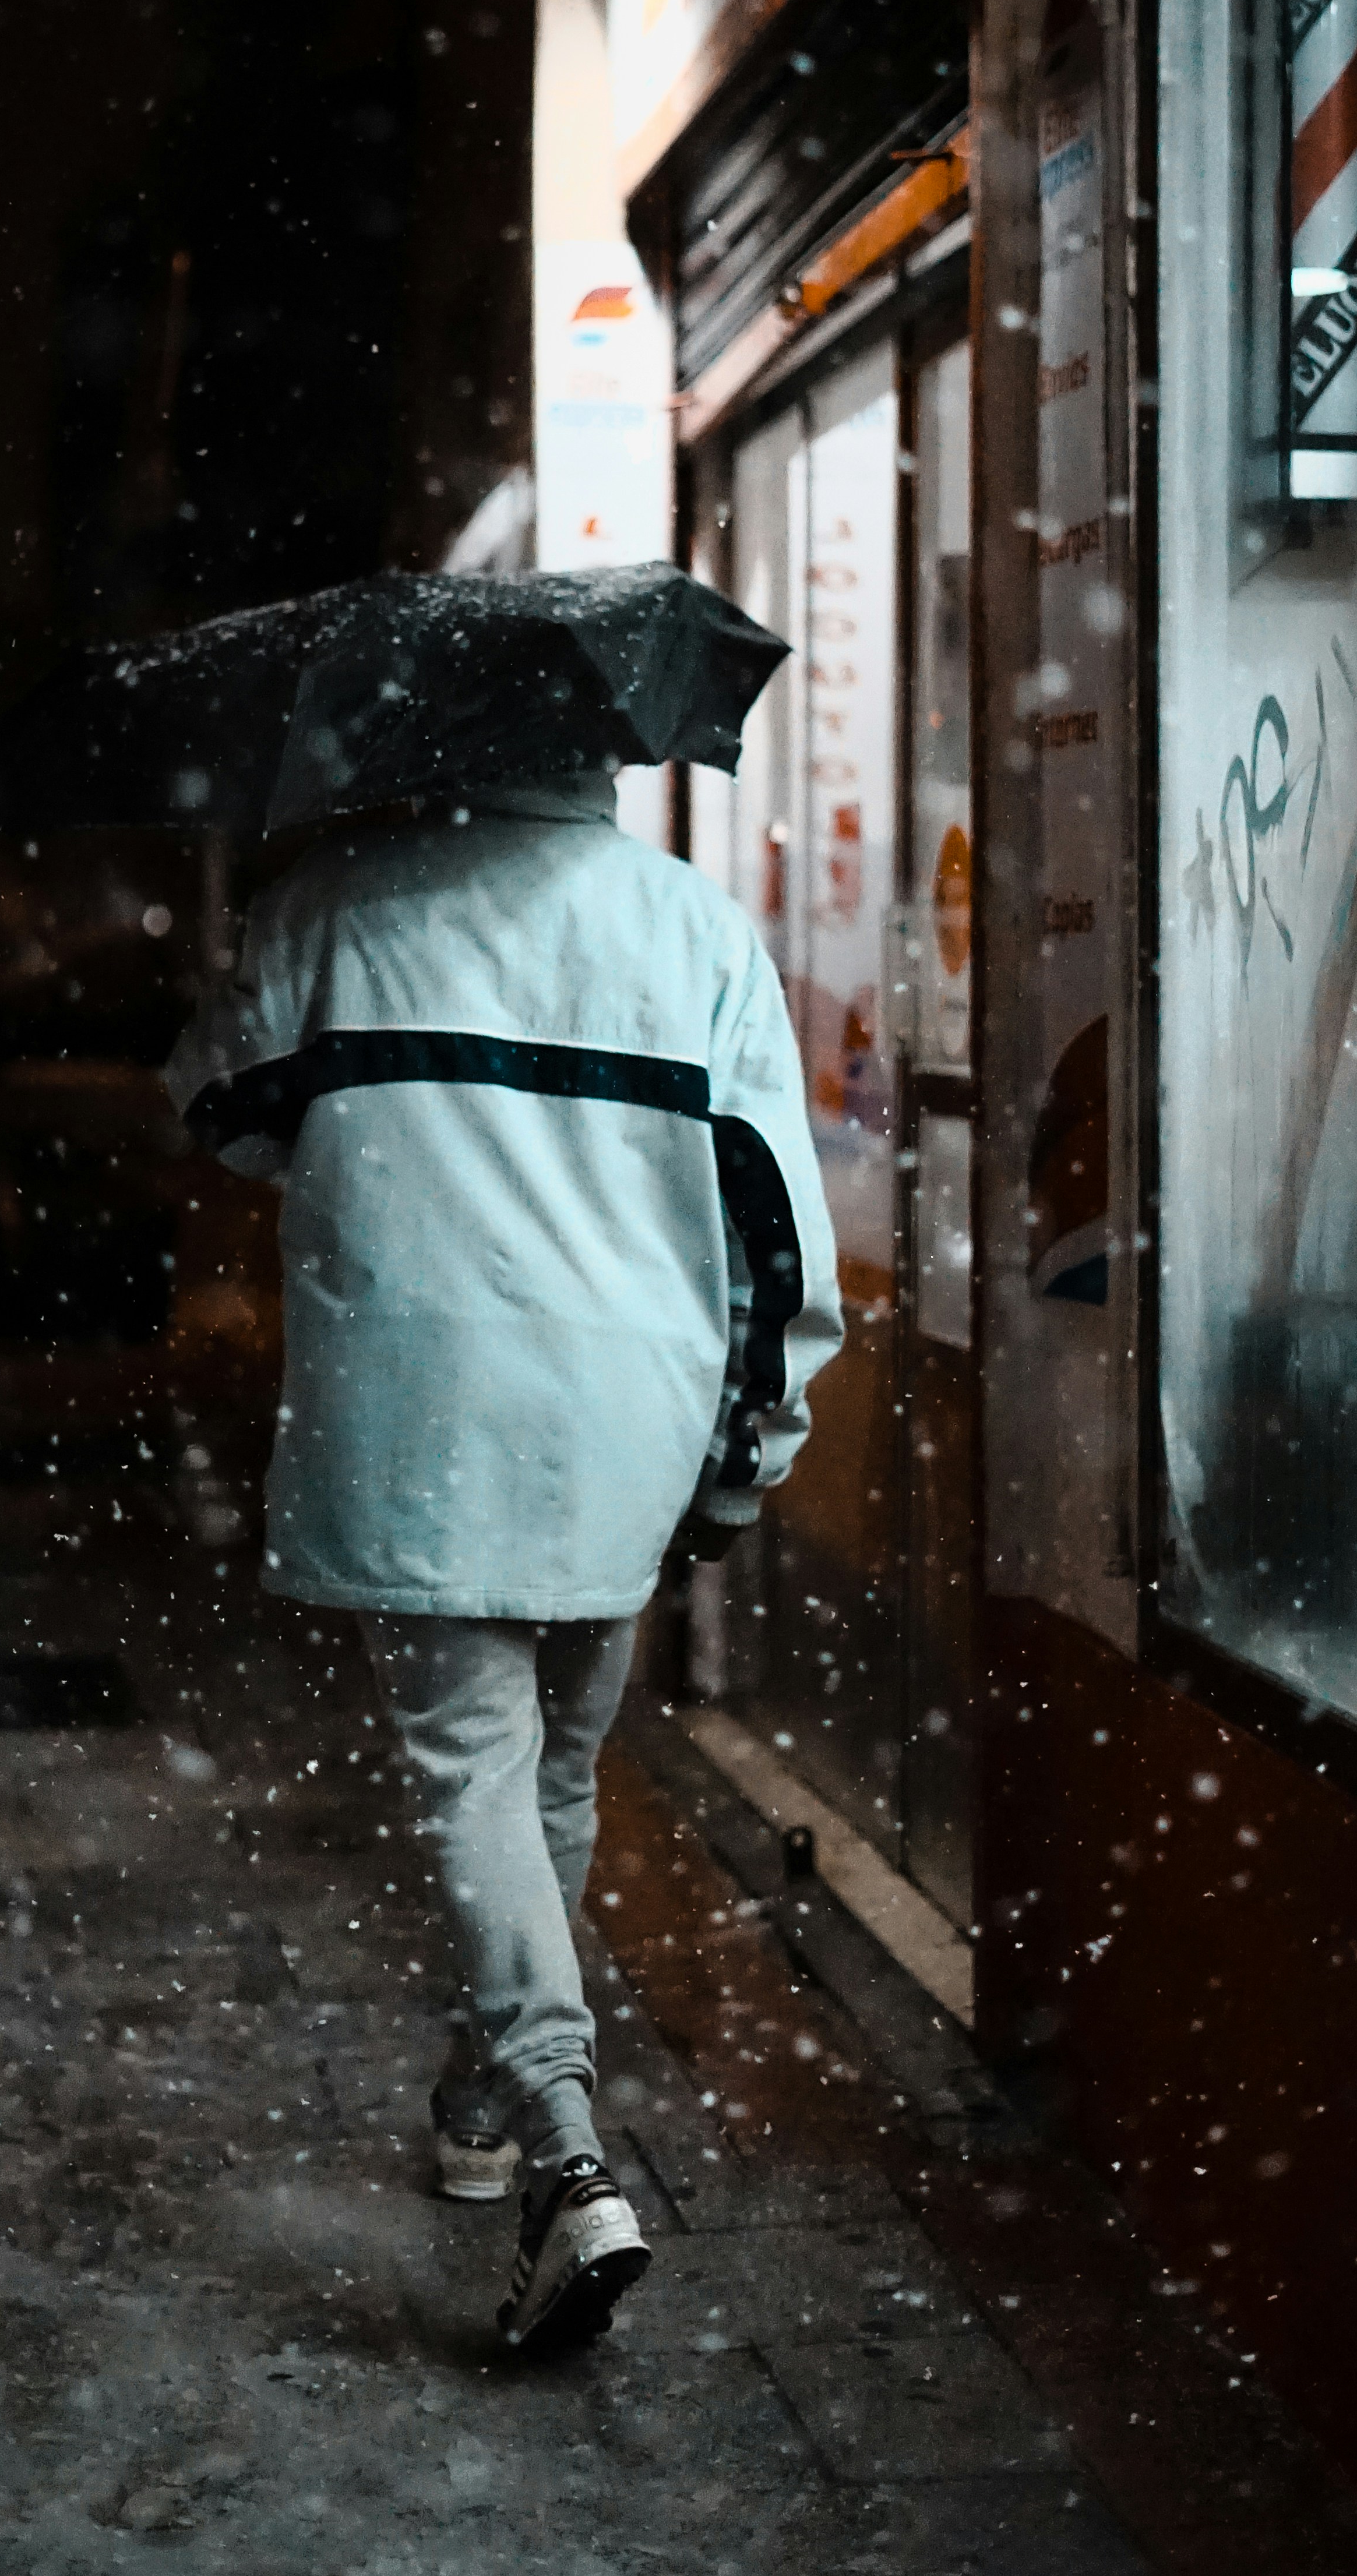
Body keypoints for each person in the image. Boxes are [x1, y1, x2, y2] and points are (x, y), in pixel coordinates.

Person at [167, 766, 841, 2355]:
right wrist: (753, 1454)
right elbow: (777, 1236)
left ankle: (562, 2160)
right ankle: (480, 2103)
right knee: (549, 1781)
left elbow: (214, 1107)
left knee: (475, 1773)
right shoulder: (696, 927)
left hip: (415, 1411)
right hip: (627, 1421)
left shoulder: (333, 907)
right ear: (605, 748)